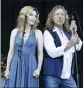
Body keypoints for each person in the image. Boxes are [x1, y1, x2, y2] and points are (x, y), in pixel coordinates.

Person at [43, 5, 82, 88]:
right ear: (52, 17)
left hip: (67, 75)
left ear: (65, 18)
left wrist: (74, 32)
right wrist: (69, 44)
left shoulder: (68, 33)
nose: (60, 16)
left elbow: (79, 46)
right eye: (57, 14)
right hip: (52, 74)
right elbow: (52, 53)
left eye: (62, 14)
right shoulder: (48, 32)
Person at [4, 6, 43, 87]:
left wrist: (38, 69)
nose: (34, 18)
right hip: (16, 63)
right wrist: (7, 69)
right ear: (24, 15)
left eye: (35, 16)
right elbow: (11, 52)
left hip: (31, 64)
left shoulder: (38, 33)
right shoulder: (15, 32)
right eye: (31, 15)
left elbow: (40, 53)